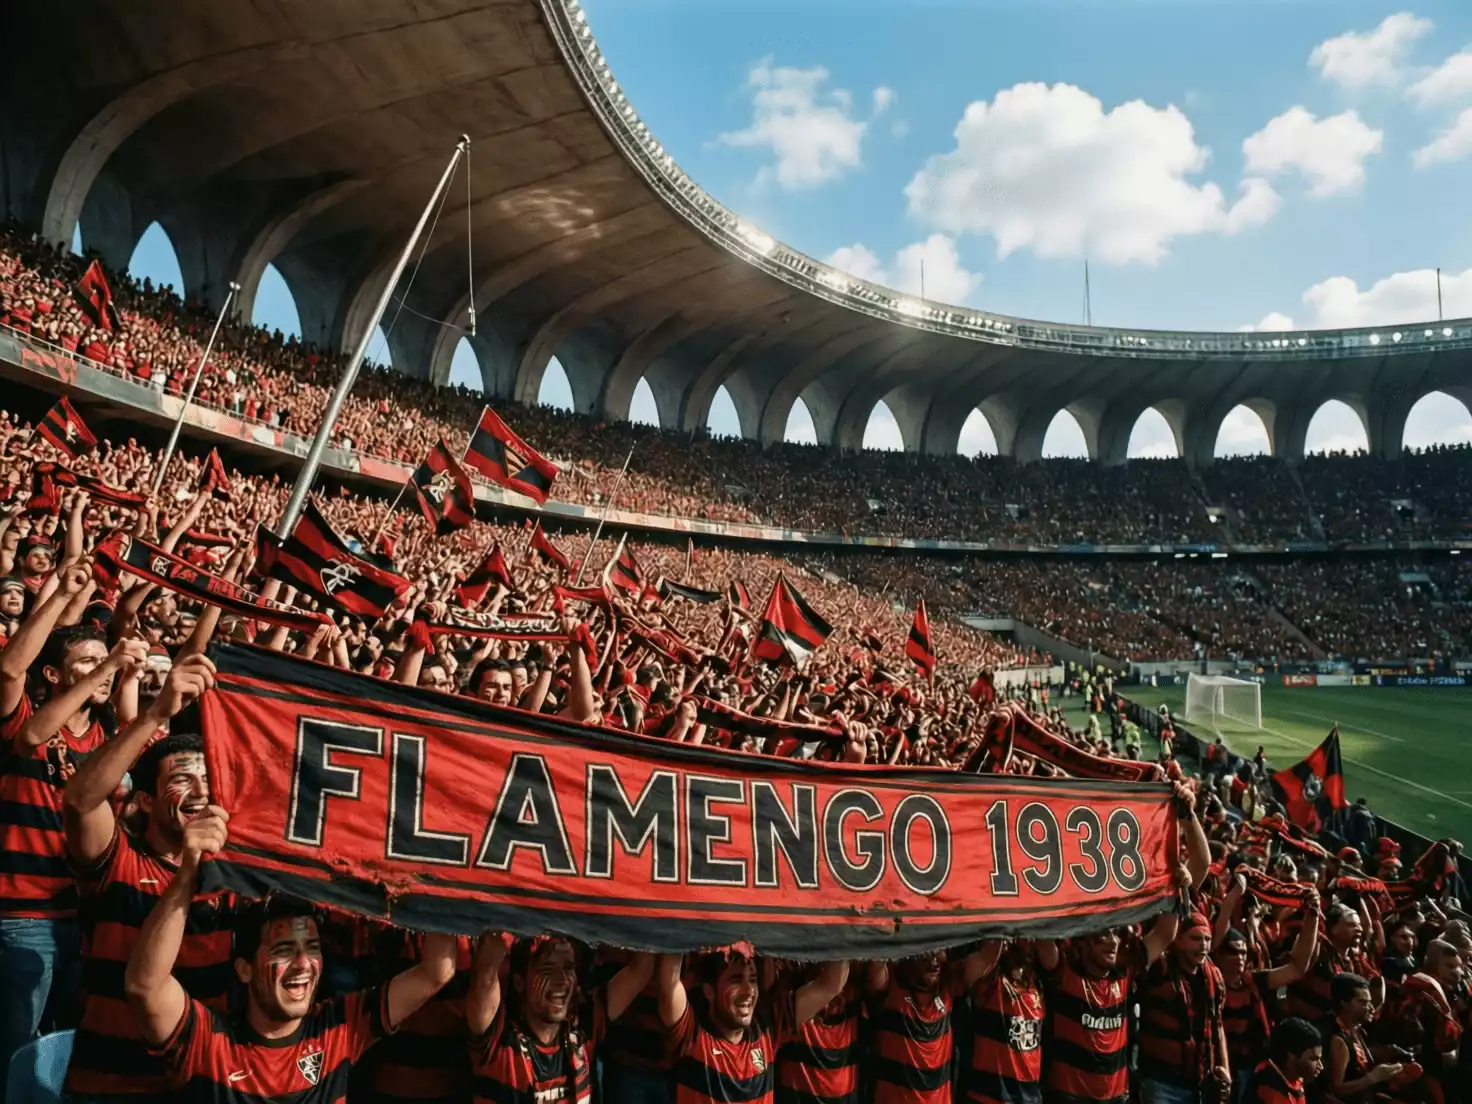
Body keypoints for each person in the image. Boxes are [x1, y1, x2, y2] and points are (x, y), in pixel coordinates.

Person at [124, 808, 458, 1102]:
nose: (302, 964)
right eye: (284, 950)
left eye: (312, 948)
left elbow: (436, 972)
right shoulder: (209, 1045)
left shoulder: (340, 1028)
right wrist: (187, 875)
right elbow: (145, 987)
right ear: (245, 968)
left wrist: (440, 860)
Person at [62, 653, 239, 1099]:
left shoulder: (237, 879)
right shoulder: (120, 860)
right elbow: (81, 802)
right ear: (142, 800)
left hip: (200, 1086)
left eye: (207, 779)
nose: (200, 791)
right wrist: (158, 712)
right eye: (183, 777)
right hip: (110, 1088)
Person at [0, 561, 132, 1084]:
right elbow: (13, 678)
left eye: (107, 661)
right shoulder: (19, 719)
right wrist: (60, 597)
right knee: (12, 1057)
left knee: (54, 1056)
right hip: (18, 917)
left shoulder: (105, 743)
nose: (104, 669)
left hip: (77, 923)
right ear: (54, 674)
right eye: (88, 662)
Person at [464, 931, 651, 1103]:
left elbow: (641, 970)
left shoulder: (584, 1024)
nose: (561, 980)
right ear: (519, 982)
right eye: (548, 968)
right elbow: (486, 971)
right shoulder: (498, 1042)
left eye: (569, 967)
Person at [655, 948, 848, 1104]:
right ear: (709, 991)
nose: (748, 991)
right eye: (736, 980)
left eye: (753, 980)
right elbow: (669, 985)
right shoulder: (691, 1037)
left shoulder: (768, 1029)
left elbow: (831, 984)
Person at [1135, 911, 1230, 1104]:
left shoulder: (1213, 978)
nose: (1203, 945)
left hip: (1199, 1084)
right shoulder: (1158, 970)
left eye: (1207, 939)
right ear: (1178, 940)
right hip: (1160, 1082)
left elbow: (1217, 1026)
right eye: (1196, 938)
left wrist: (1224, 1068)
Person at [1325, 973, 1404, 1102]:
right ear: (1344, 1003)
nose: (1370, 1008)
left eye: (1369, 1002)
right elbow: (1337, 1089)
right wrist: (1373, 1078)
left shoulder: (1355, 1030)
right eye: (1363, 1003)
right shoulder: (1338, 1040)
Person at [1248, 1018, 1323, 1104]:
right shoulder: (1269, 1088)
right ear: (1291, 1057)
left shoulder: (1294, 1077)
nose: (1320, 1066)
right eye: (1314, 1059)